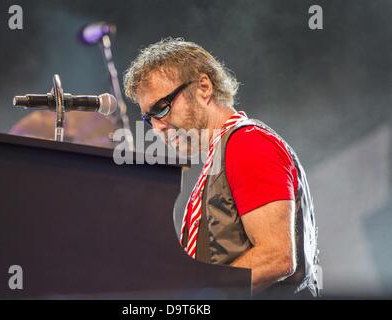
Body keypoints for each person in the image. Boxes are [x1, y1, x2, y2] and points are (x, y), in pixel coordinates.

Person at [123, 38, 321, 298]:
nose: (157, 126)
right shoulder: (223, 155)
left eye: (162, 108)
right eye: (148, 119)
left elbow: (276, 257)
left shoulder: (247, 142)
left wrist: (197, 299)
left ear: (204, 87)